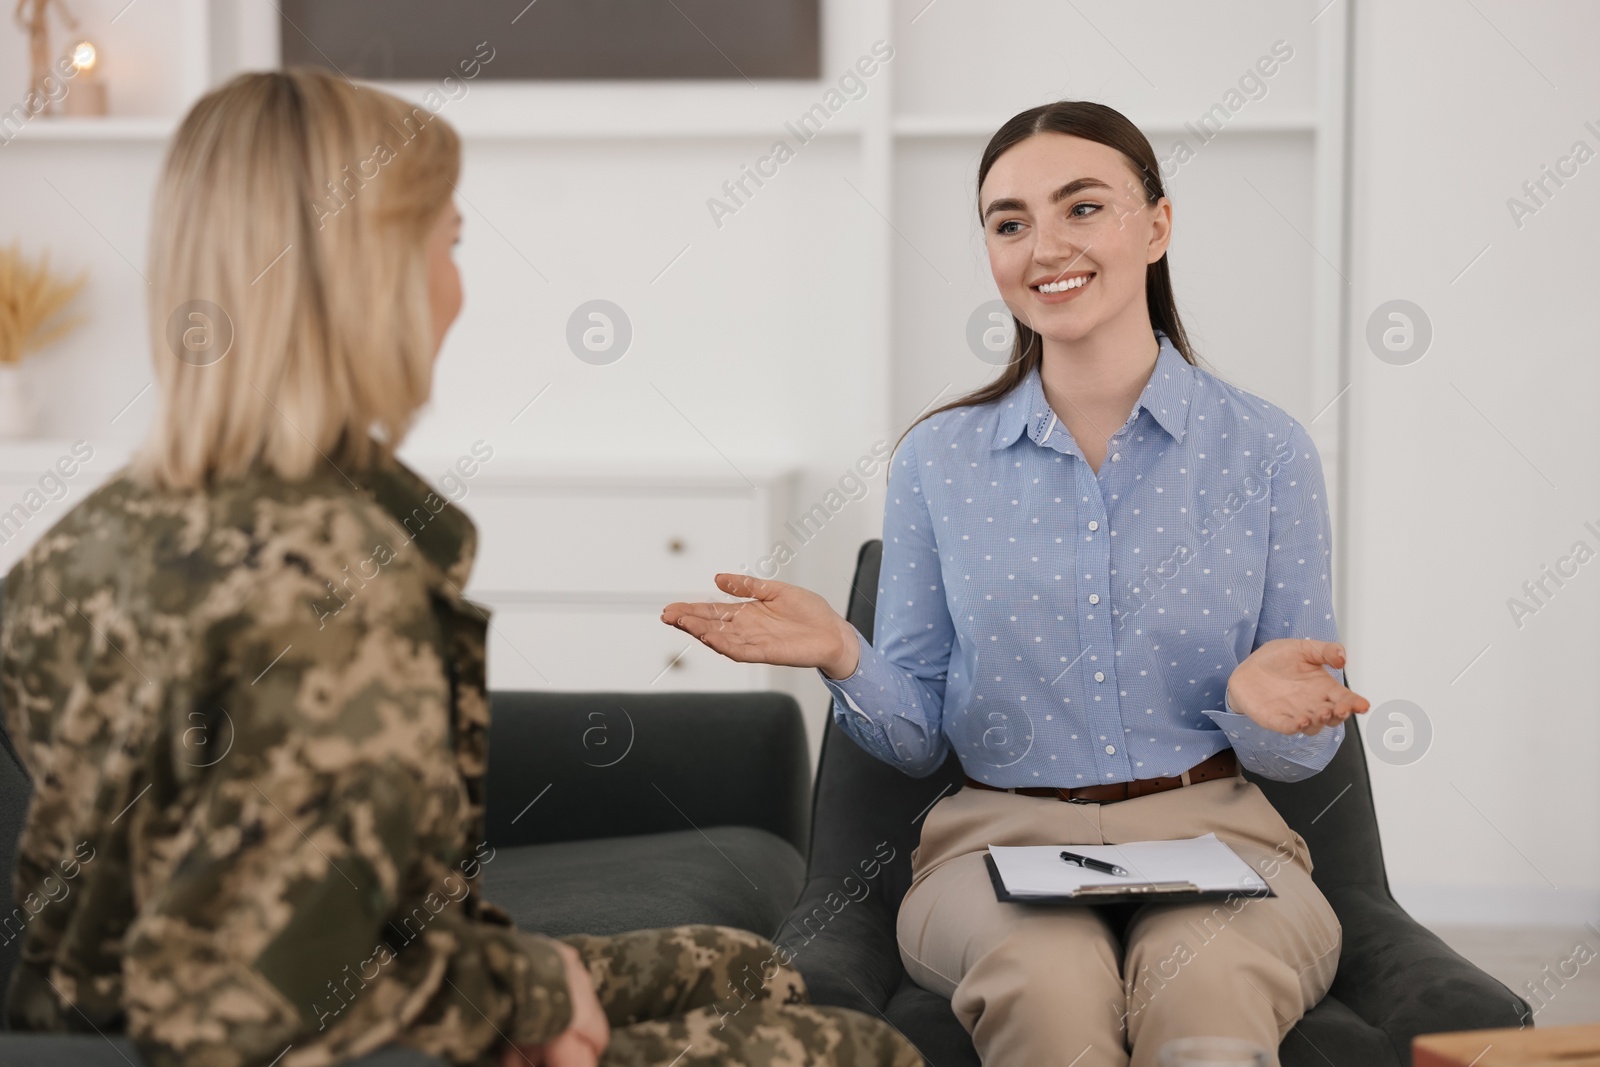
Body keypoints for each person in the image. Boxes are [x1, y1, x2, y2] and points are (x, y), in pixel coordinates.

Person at [0, 68, 922, 1067]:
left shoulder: (84, 542)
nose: (457, 286)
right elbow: (261, 988)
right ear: (373, 272)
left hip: (96, 1017)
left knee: (754, 967)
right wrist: (517, 1006)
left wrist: (513, 978)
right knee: (862, 1052)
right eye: (449, 244)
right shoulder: (327, 580)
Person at [662, 100, 1371, 1067]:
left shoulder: (1269, 451)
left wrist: (1257, 710)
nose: (1045, 246)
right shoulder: (937, 461)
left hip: (1221, 833)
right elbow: (913, 740)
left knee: (1205, 989)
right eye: (1009, 222)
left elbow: (1303, 757)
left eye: (1083, 208)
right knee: (1049, 988)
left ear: (1157, 226)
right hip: (995, 840)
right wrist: (842, 652)